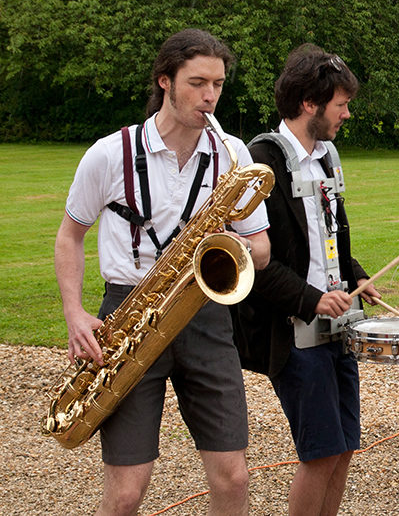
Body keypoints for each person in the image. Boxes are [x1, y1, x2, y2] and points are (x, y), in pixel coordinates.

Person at [55, 28, 271, 516]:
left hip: (206, 315)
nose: (210, 96)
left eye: (217, 84)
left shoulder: (233, 153)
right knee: (128, 492)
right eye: (197, 83)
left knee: (234, 479)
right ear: (165, 82)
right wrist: (74, 313)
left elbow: (260, 249)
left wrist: (224, 247)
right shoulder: (109, 153)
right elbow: (70, 236)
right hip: (128, 314)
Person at [232, 44, 380, 515]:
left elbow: (330, 236)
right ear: (309, 104)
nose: (347, 113)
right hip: (293, 333)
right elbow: (253, 264)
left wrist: (356, 276)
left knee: (344, 448)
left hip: (339, 326)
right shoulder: (260, 162)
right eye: (341, 104)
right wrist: (314, 299)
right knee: (318, 455)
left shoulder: (328, 155)